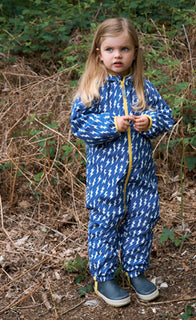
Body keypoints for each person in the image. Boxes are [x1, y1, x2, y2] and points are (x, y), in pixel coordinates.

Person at [70, 17, 174, 307]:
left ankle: (136, 271)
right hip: (106, 179)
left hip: (141, 177)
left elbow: (166, 117)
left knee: (142, 221)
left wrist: (149, 120)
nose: (118, 56)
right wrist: (111, 124)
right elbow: (79, 125)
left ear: (135, 53)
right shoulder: (93, 89)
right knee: (105, 224)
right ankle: (104, 277)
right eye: (111, 49)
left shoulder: (144, 88)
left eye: (125, 49)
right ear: (98, 53)